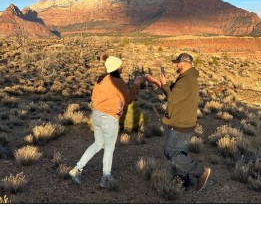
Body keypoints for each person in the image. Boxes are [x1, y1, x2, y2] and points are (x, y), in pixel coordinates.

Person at [69, 55, 145, 188]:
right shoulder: (117, 82)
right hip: (109, 119)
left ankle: (77, 169)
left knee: (98, 144)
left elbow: (93, 97)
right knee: (109, 149)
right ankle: (106, 178)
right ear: (117, 68)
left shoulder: (101, 79)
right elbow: (129, 99)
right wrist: (136, 84)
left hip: (97, 115)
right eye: (121, 65)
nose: (122, 67)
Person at [145, 53, 211, 192]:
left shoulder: (187, 80)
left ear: (185, 63)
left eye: (177, 63)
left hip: (181, 123)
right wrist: (158, 83)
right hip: (184, 122)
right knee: (181, 152)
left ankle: (200, 172)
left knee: (171, 152)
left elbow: (172, 98)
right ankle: (184, 181)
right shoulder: (187, 78)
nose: (175, 65)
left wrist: (166, 84)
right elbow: (172, 93)